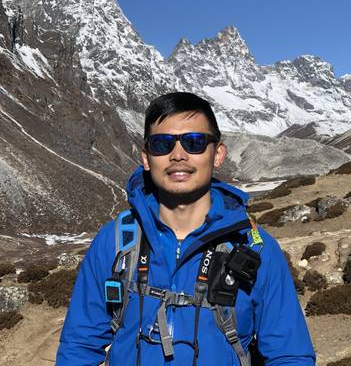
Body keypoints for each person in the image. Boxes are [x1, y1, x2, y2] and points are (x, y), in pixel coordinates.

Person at [56, 92, 316, 366]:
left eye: (194, 143)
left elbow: (290, 355)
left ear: (217, 154)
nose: (178, 155)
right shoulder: (115, 242)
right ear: (146, 158)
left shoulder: (256, 248)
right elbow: (79, 347)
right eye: (162, 144)